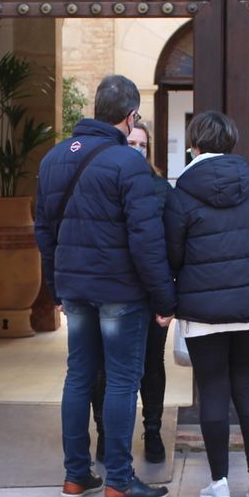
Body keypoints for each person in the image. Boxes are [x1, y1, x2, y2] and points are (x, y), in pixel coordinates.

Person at [35, 75, 176, 497]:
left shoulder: (54, 159)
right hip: (120, 292)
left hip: (75, 288)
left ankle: (76, 476)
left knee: (78, 376)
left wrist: (54, 286)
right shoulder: (127, 163)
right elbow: (146, 238)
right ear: (130, 115)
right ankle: (118, 479)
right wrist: (164, 298)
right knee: (120, 380)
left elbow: (43, 231)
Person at [163, 110, 249, 497]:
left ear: (194, 145)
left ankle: (219, 484)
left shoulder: (182, 193)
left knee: (213, 388)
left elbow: (173, 253)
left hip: (204, 306)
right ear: (231, 142)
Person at [91, 118, 172, 464]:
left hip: (151, 292)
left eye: (143, 145)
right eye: (132, 143)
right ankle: (105, 435)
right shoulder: (102, 184)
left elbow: (170, 243)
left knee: (150, 364)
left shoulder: (161, 189)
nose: (137, 150)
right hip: (110, 290)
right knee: (104, 367)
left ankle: (152, 430)